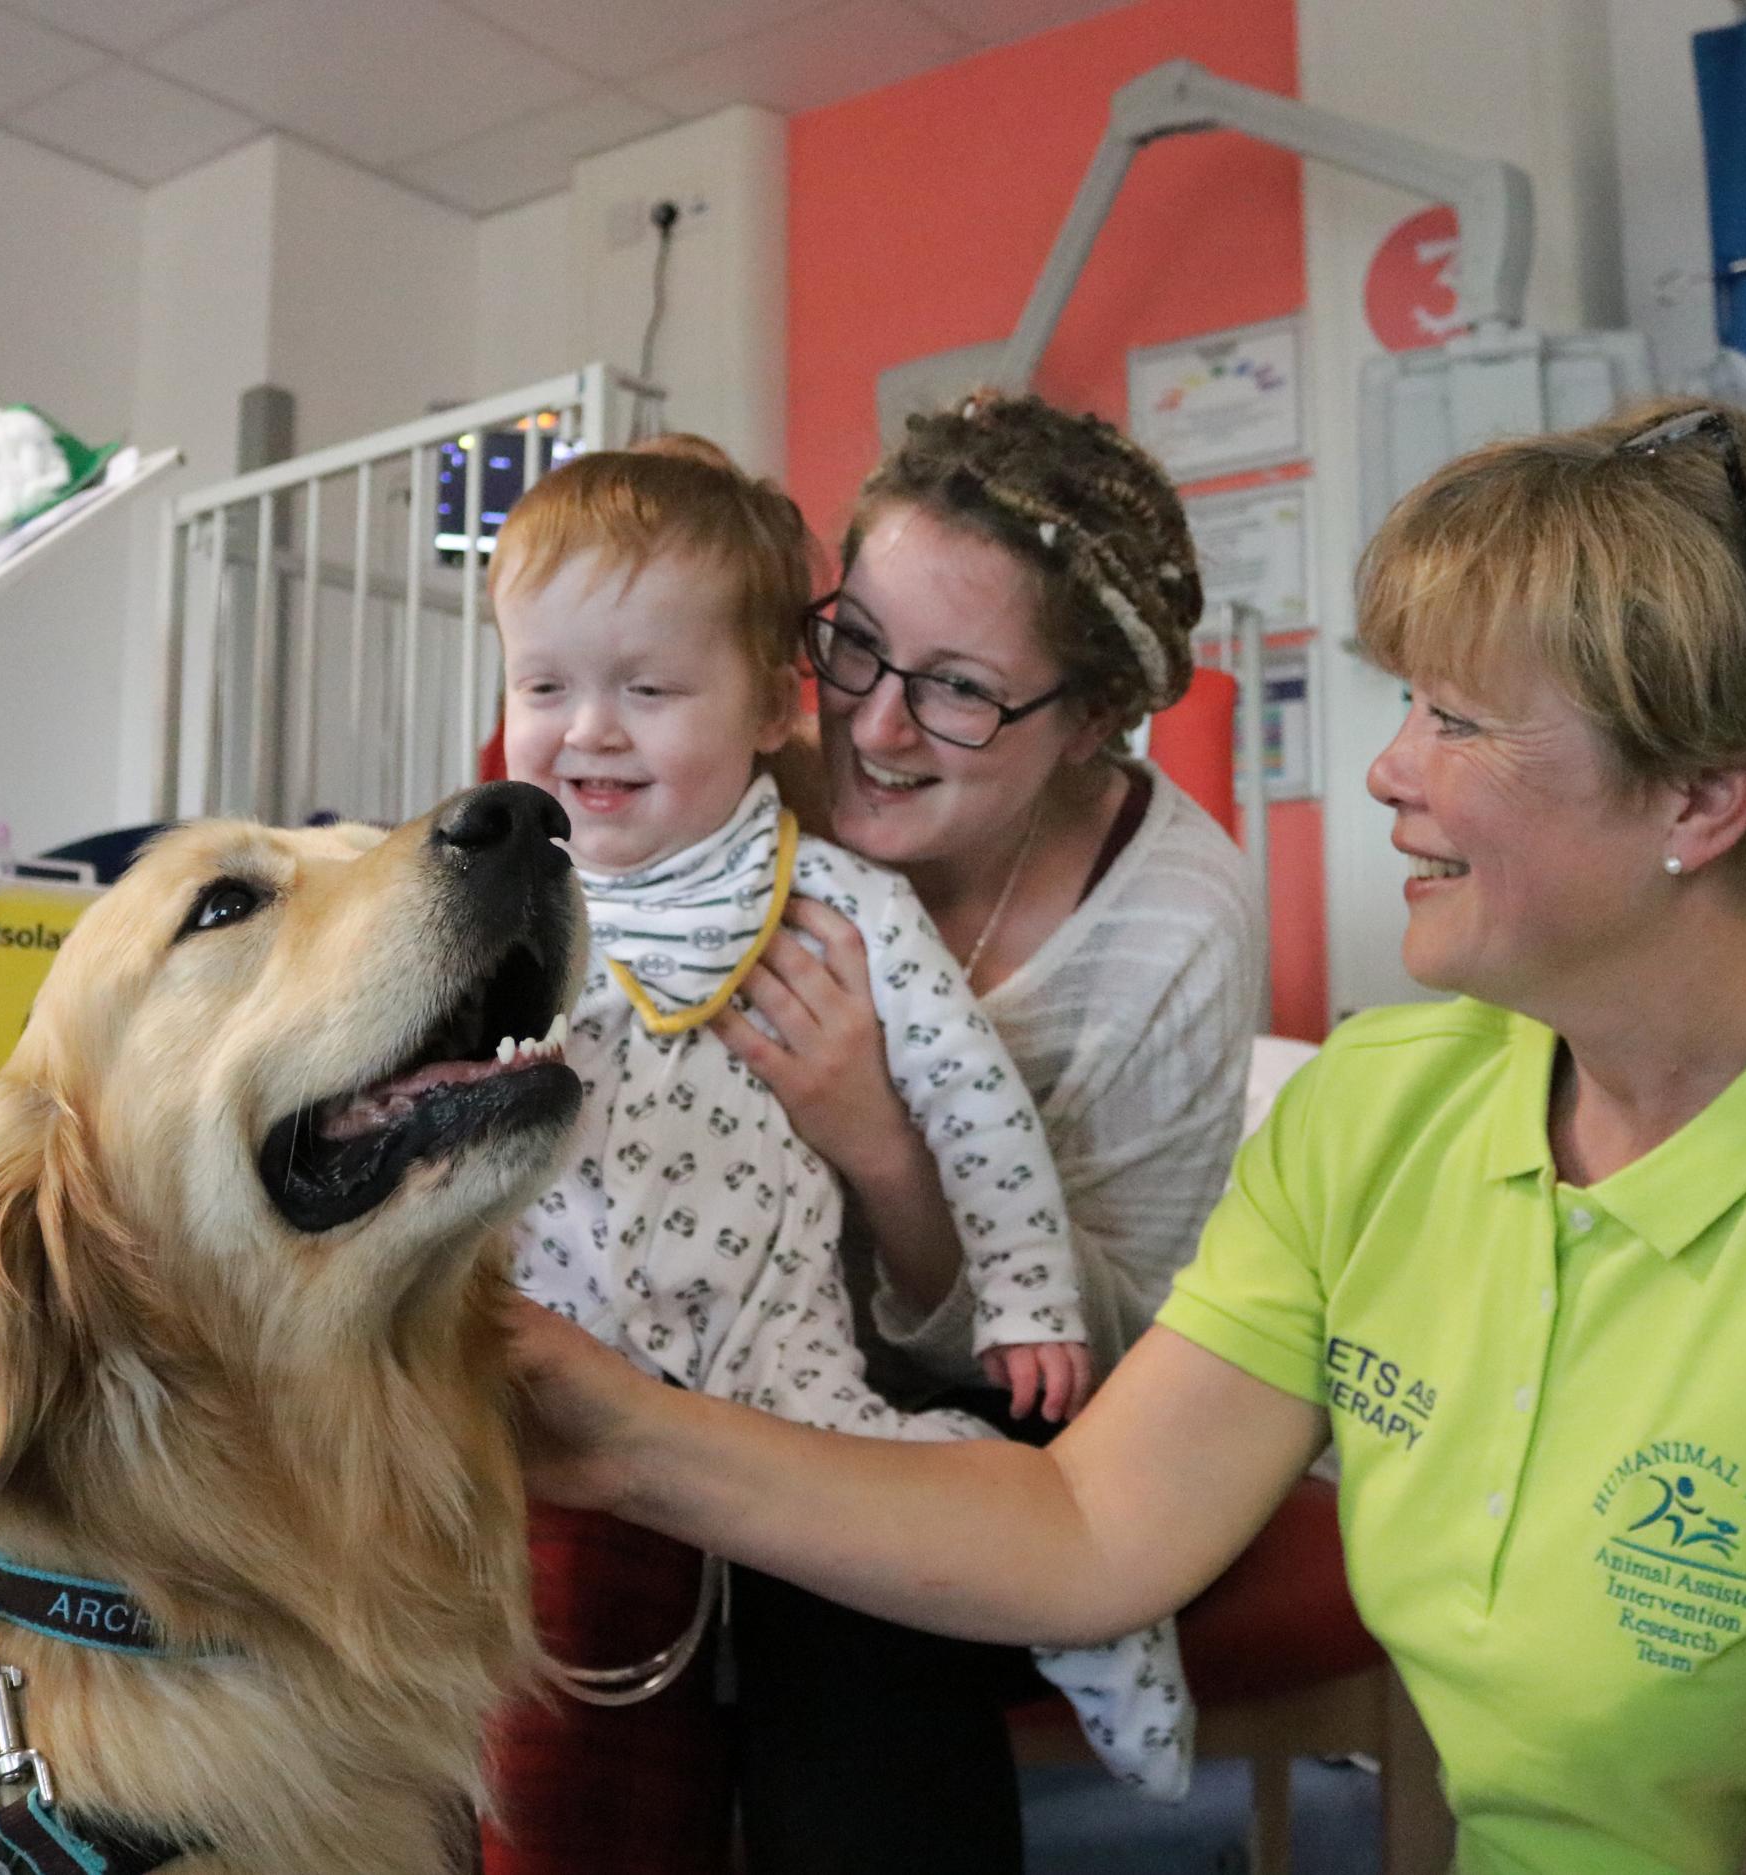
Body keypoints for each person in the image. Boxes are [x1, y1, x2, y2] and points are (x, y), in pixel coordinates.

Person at [509, 400, 1746, 1875]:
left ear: (1702, 801)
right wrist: (610, 1428)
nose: (1386, 770)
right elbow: (1091, 1529)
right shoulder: (1384, 1114)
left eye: (1464, 722)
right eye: (1406, 704)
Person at [476, 436, 1184, 1875]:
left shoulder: (836, 898)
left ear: (767, 712)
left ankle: (1102, 1626)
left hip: (781, 1355)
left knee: (921, 1485)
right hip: (539, 1355)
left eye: (650, 693)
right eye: (543, 689)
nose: (588, 733)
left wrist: (1033, 1298)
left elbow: (979, 1110)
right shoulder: (514, 883)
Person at [698, 394, 1272, 1873]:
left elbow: (1118, 1360)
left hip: (993, 1413)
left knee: (847, 1572)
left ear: (1090, 721)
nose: (873, 727)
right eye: (860, 645)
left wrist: (879, 1141)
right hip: (702, 1327)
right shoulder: (751, 767)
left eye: (959, 691)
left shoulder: (1169, 926)